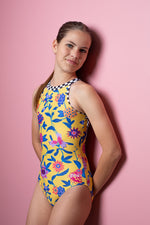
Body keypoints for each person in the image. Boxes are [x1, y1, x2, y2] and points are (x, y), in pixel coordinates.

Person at [26, 21, 121, 225]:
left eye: (83, 50)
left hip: (74, 184)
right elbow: (36, 140)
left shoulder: (82, 92)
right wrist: (51, 168)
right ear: (55, 45)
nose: (75, 54)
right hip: (45, 181)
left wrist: (89, 191)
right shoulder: (39, 92)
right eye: (69, 45)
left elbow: (113, 151)